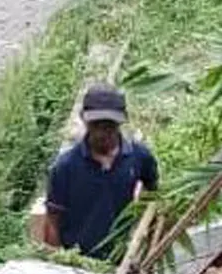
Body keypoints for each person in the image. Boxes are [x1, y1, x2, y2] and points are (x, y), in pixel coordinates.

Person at [44, 85, 159, 259]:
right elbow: (53, 220)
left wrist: (141, 232)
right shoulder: (65, 166)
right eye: (96, 124)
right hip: (78, 261)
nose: (102, 132)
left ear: (122, 120)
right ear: (84, 119)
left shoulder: (139, 156)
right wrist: (58, 261)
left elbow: (153, 195)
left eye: (109, 125)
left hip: (121, 257)